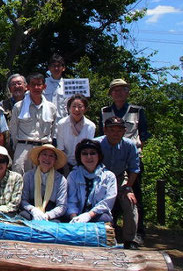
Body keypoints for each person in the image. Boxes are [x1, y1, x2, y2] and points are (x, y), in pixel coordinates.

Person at [99, 78, 149, 240]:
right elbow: (102, 134)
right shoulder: (104, 111)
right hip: (109, 159)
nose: (119, 93)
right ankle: (111, 228)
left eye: (122, 90)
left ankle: (138, 232)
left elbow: (144, 135)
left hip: (131, 157)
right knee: (108, 194)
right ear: (111, 94)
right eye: (115, 90)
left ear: (127, 92)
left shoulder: (137, 110)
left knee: (134, 195)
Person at [95, 117, 140, 250]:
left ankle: (129, 239)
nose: (115, 133)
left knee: (130, 203)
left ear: (124, 131)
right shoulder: (96, 143)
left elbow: (134, 169)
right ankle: (99, 235)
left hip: (120, 179)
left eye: (119, 130)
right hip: (99, 180)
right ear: (105, 130)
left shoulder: (130, 145)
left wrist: (128, 188)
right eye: (112, 130)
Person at [10, 73, 57, 175]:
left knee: (43, 179)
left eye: (39, 84)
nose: (36, 87)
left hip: (43, 147)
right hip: (23, 147)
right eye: (33, 84)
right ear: (27, 87)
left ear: (44, 86)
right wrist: (17, 146)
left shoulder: (51, 108)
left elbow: (53, 131)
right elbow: (13, 130)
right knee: (18, 177)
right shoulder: (19, 107)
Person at [66, 139, 117, 223]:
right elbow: (71, 201)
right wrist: (74, 218)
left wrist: (89, 215)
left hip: (97, 215)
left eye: (93, 153)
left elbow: (107, 202)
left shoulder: (109, 176)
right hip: (77, 216)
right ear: (79, 156)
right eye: (84, 153)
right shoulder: (73, 175)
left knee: (103, 219)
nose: (89, 157)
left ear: (99, 155)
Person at [19, 144, 67, 222]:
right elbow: (23, 200)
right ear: (38, 157)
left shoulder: (61, 180)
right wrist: (33, 210)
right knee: (23, 216)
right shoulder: (28, 176)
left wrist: (47, 215)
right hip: (32, 210)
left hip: (51, 213)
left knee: (56, 224)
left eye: (51, 156)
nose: (47, 158)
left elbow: (62, 206)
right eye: (44, 154)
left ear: (55, 161)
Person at [55, 94, 96, 174]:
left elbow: (88, 148)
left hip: (83, 164)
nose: (77, 110)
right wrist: (65, 167)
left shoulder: (90, 126)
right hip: (64, 163)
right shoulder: (62, 124)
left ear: (85, 109)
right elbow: (60, 148)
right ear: (69, 108)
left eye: (80, 106)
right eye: (73, 106)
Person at [43, 54, 67, 121]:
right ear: (49, 68)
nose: (56, 68)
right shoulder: (42, 83)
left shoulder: (68, 85)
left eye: (59, 66)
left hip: (63, 121)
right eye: (53, 66)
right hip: (45, 120)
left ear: (63, 68)